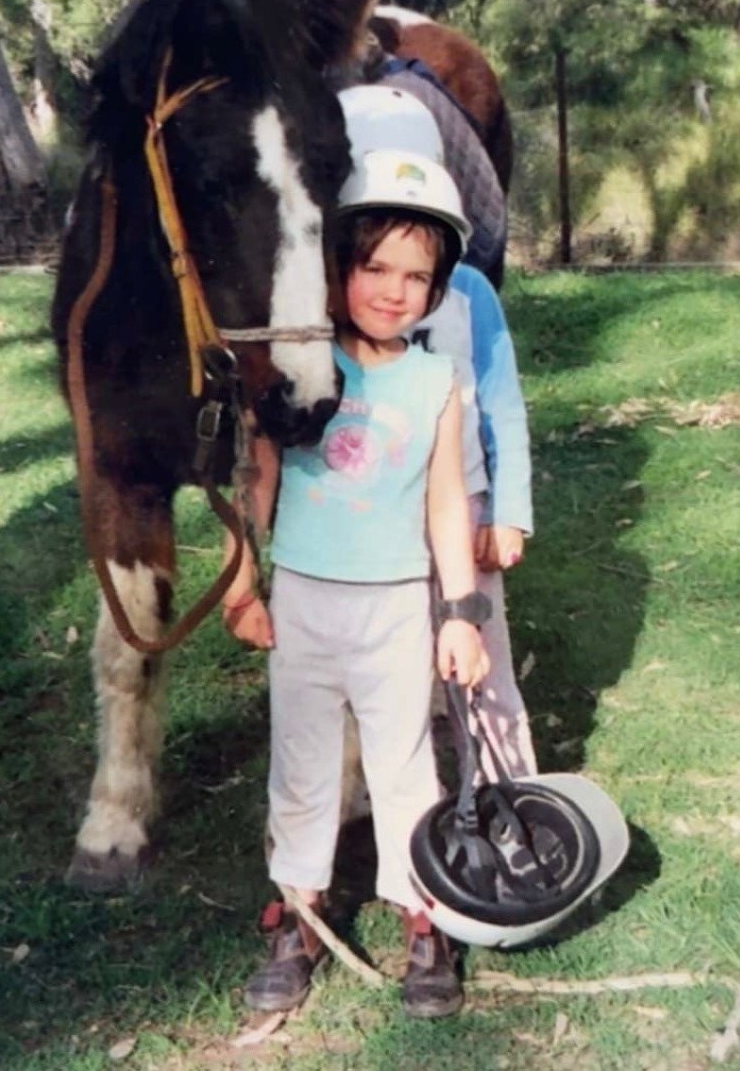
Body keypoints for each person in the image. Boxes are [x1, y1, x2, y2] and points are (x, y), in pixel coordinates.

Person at [221, 86, 492, 1020]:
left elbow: (448, 502)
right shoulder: (301, 372)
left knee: (403, 762)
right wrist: (244, 583)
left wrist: (459, 613)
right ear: (335, 267)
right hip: (303, 598)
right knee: (297, 763)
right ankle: (297, 916)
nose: (391, 290)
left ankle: (426, 919)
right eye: (372, 266)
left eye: (414, 277)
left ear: (437, 288)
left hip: (393, 606)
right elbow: (257, 478)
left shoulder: (437, 383)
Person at [412, 258, 538, 776]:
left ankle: (511, 796)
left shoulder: (468, 290)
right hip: (372, 515)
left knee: (481, 658)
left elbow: (501, 402)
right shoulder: (347, 280)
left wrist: (508, 511)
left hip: (464, 503)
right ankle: (398, 812)